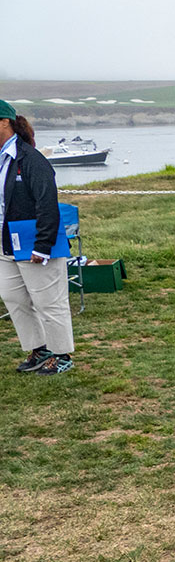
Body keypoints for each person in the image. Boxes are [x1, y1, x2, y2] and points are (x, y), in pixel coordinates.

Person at [0, 101, 74, 374]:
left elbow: (47, 204)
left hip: (36, 242)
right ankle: (39, 349)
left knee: (49, 301)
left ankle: (62, 354)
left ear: (4, 123)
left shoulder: (31, 159)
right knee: (14, 298)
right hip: (5, 241)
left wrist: (42, 245)